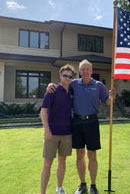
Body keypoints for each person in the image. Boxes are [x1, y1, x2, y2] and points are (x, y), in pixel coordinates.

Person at [47, 60, 116, 194]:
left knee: (92, 154)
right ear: (79, 71)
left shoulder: (99, 85)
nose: (85, 71)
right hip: (77, 121)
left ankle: (93, 185)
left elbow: (107, 101)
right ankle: (82, 184)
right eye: (82, 69)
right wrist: (50, 85)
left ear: (91, 71)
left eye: (87, 69)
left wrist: (112, 96)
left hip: (92, 122)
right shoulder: (73, 84)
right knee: (80, 154)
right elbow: (61, 86)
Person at [41, 64, 75, 194]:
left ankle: (59, 188)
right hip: (52, 133)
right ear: (60, 76)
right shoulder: (52, 91)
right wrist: (47, 130)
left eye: (70, 76)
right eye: (65, 75)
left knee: (62, 161)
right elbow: (43, 112)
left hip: (67, 134)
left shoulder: (72, 91)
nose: (67, 78)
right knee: (48, 163)